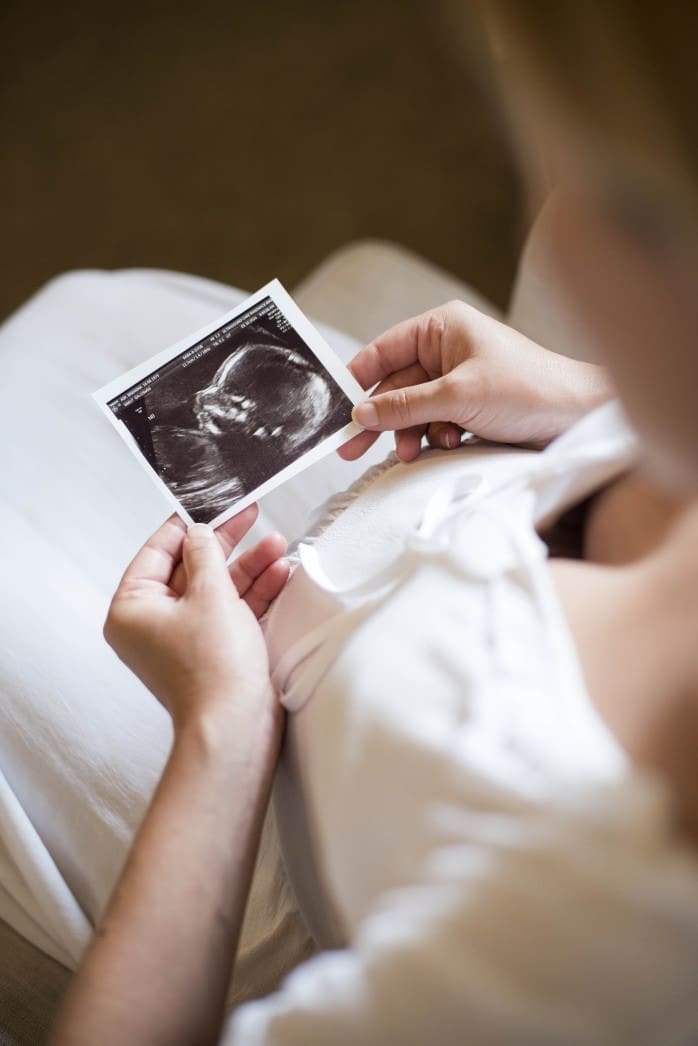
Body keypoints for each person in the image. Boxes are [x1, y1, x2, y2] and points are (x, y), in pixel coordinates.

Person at [48, 2, 698, 1044]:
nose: (547, 233)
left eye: (591, 188)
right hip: (407, 511)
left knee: (68, 327)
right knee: (86, 303)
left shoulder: (569, 939)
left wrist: (219, 731)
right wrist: (588, 399)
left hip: (258, 774)